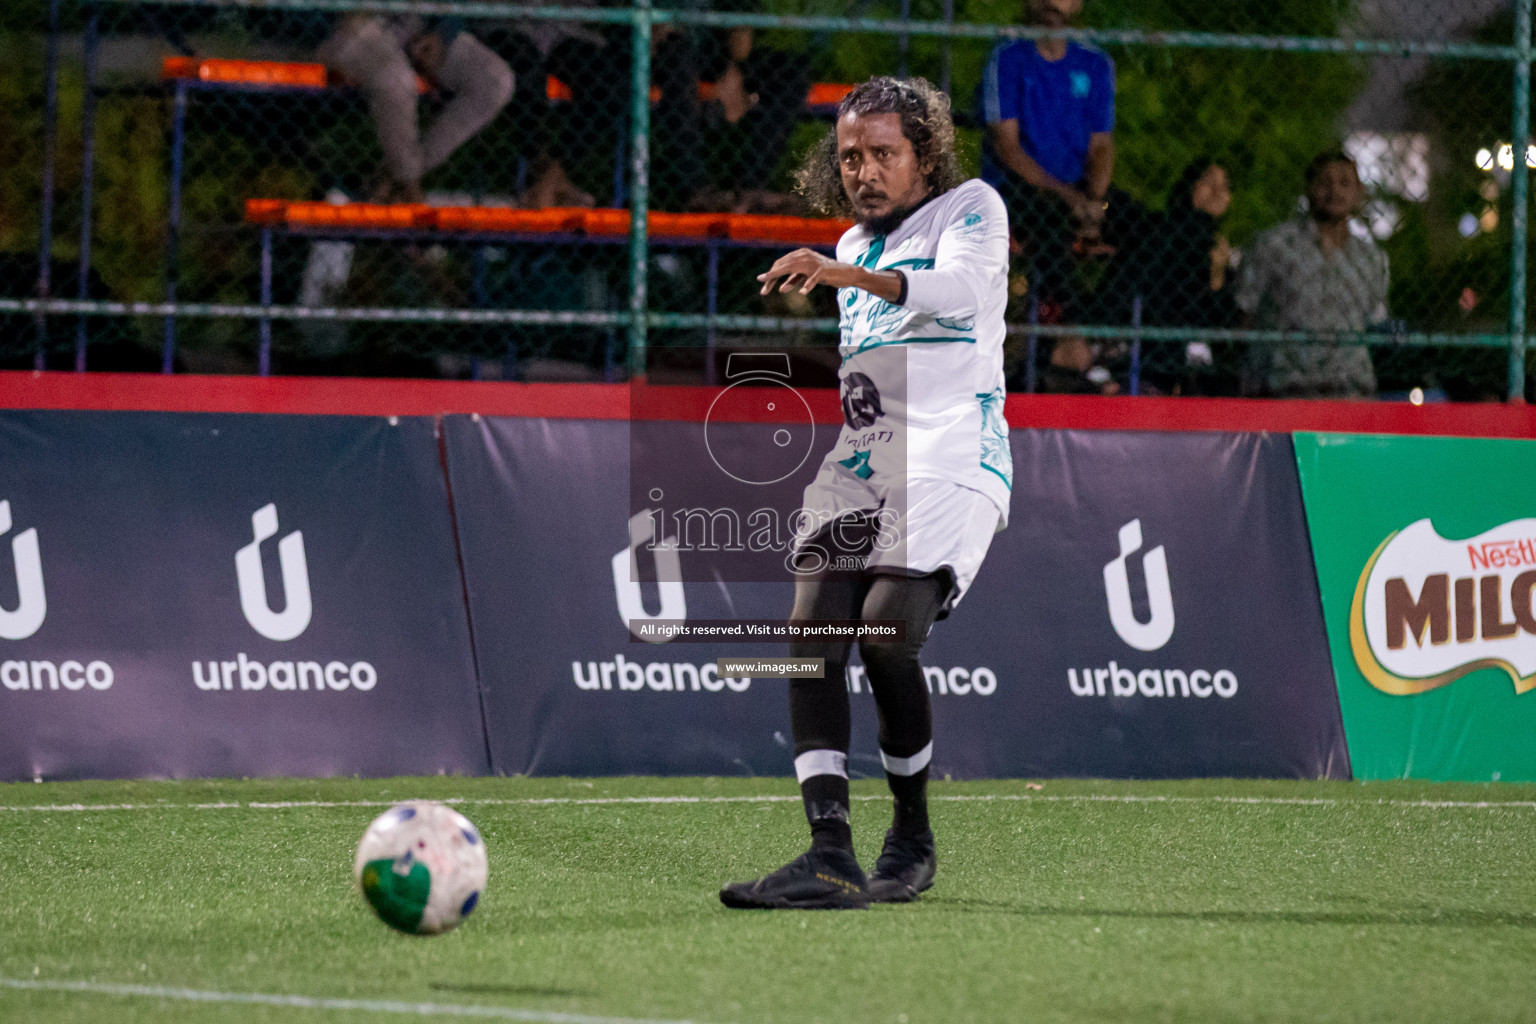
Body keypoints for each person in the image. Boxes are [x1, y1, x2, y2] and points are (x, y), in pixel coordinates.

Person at [720, 77, 1011, 910]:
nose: (863, 169)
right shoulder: (854, 244)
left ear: (924, 155)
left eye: (883, 152)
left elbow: (956, 297)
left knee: (885, 637)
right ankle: (827, 853)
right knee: (813, 628)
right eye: (850, 155)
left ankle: (911, 837)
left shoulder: (971, 210)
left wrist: (846, 272)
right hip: (866, 461)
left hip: (953, 453)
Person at [980, 0, 1115, 314]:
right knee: (1051, 227)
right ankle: (1064, 330)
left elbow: (1102, 145)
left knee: (1146, 230)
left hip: (1082, 191)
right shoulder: (1007, 58)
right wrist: (1070, 199)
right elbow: (1008, 149)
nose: (1052, 3)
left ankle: (1103, 326)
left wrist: (1095, 201)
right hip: (1019, 189)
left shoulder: (1095, 62)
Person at [1235, 150, 1390, 398]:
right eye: (1324, 182)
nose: (1334, 191)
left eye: (1344, 183)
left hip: (1351, 391)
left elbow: (1375, 320)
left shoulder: (1371, 258)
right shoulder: (1274, 245)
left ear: (1359, 192)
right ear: (1308, 188)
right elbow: (1245, 313)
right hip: (1285, 389)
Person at [317, 15, 514, 204]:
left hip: (417, 24)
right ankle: (411, 193)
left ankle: (393, 175)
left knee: (494, 80)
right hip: (356, 28)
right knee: (397, 80)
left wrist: (441, 34)